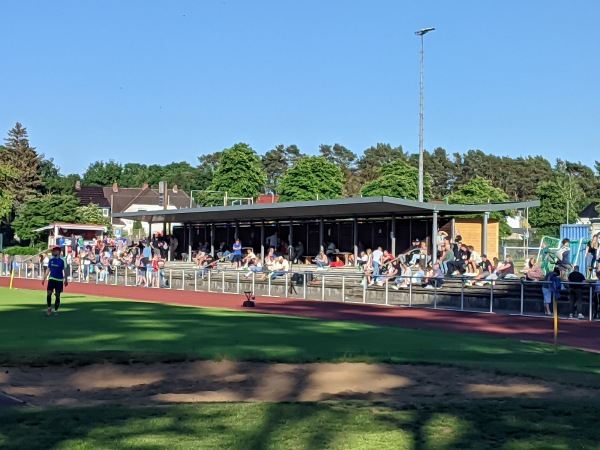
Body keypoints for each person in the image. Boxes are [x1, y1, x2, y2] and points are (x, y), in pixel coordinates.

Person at [42, 247, 68, 316]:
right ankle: (49, 308)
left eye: (54, 251)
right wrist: (44, 278)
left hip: (59, 280)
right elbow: (48, 269)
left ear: (58, 252)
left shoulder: (63, 260)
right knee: (49, 294)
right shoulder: (51, 260)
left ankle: (56, 310)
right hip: (52, 279)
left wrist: (66, 280)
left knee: (57, 296)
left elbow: (65, 271)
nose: (52, 252)